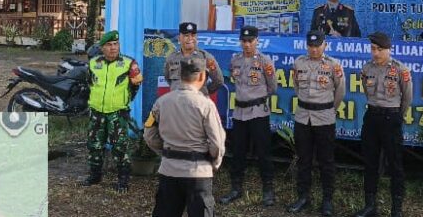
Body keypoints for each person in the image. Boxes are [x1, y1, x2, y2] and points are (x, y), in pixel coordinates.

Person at [145, 56, 227, 217]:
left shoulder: (161, 102)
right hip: (198, 172)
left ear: (180, 74)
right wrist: (214, 163)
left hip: (169, 169)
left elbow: (149, 135)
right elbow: (216, 143)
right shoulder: (206, 105)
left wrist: (166, 153)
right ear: (202, 76)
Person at [353, 32, 412, 217]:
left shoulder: (400, 69)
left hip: (391, 118)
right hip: (372, 117)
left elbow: (407, 97)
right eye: (373, 49)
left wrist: (396, 116)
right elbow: (366, 90)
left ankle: (396, 208)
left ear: (388, 49)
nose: (375, 53)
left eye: (379, 49)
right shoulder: (367, 68)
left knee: (395, 164)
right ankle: (370, 205)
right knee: (370, 162)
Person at [287, 31, 346, 216]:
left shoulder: (333, 65)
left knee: (326, 161)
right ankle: (303, 196)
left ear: (324, 45)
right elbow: (297, 86)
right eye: (311, 46)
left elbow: (340, 91)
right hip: (303, 117)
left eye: (317, 46)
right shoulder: (299, 63)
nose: (314, 49)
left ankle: (327, 200)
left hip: (324, 118)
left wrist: (328, 109)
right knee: (303, 159)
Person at [219, 26, 278, 206]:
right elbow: (234, 80)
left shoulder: (264, 61)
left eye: (250, 41)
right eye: (244, 41)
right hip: (239, 113)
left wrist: (257, 98)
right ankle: (236, 188)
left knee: (263, 152)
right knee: (238, 152)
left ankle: (268, 189)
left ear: (257, 41)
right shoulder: (235, 60)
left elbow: (272, 87)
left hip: (258, 112)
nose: (247, 44)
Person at [84, 30, 143, 193]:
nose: (113, 48)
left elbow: (136, 85)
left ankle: (123, 180)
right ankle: (95, 176)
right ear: (102, 47)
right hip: (96, 112)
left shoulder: (129, 63)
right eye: (109, 45)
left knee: (120, 147)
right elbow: (89, 83)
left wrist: (124, 101)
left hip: (118, 113)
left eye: (116, 44)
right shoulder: (93, 63)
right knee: (94, 145)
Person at [164, 22, 223, 96]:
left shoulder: (206, 57)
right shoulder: (171, 58)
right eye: (186, 36)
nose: (190, 39)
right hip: (177, 101)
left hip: (197, 101)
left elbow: (218, 80)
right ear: (179, 38)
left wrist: (204, 93)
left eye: (193, 35)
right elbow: (168, 79)